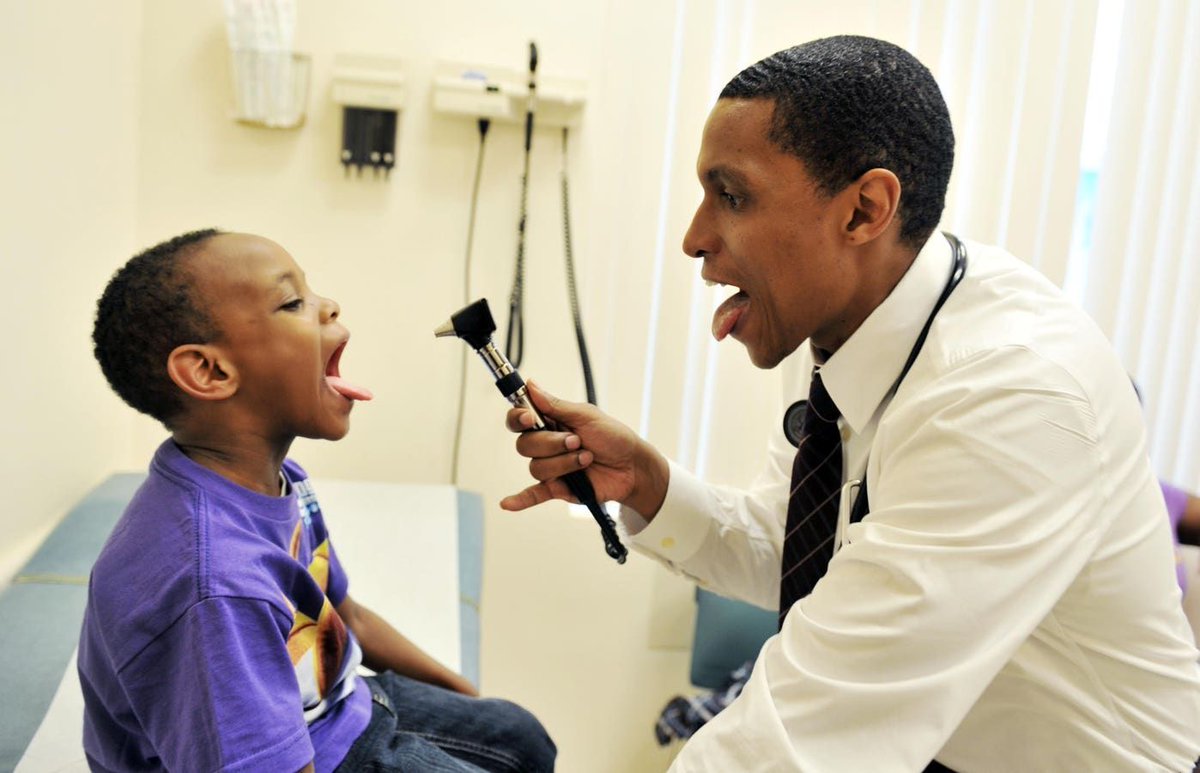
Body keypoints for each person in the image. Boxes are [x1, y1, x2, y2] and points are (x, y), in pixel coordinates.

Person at [501, 36, 1200, 771]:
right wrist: (649, 482)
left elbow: (797, 743)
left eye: (730, 195)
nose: (694, 237)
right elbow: (799, 552)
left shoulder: (1010, 396)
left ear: (865, 210)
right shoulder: (852, 331)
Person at [81, 230, 556, 772]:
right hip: (311, 756)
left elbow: (346, 615)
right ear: (210, 372)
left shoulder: (281, 481)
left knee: (523, 737)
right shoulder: (215, 584)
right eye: (292, 302)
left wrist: (468, 699)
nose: (329, 305)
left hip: (339, 705)